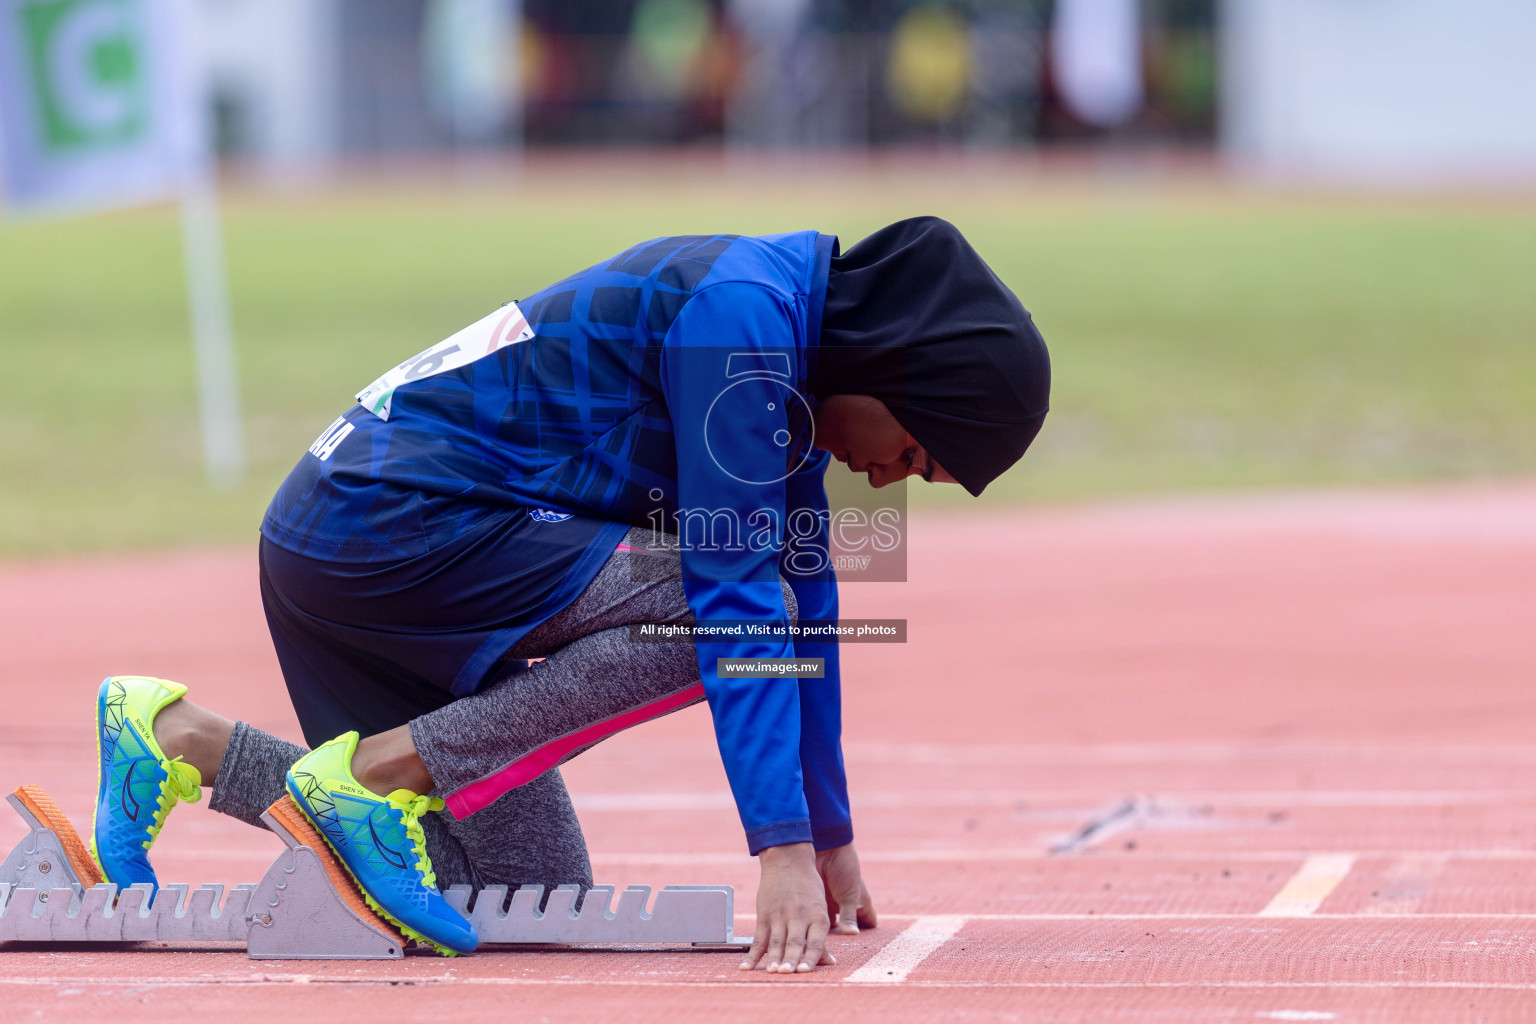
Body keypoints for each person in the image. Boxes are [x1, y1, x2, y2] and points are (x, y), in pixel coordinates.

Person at [88, 217, 1050, 968]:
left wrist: (830, 833)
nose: (887, 479)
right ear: (900, 373)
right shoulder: (743, 324)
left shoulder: (788, 360)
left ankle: (178, 738)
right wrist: (779, 848)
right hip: (383, 530)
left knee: (525, 896)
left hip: (363, 542)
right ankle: (375, 777)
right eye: (914, 456)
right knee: (719, 601)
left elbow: (810, 593)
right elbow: (743, 597)